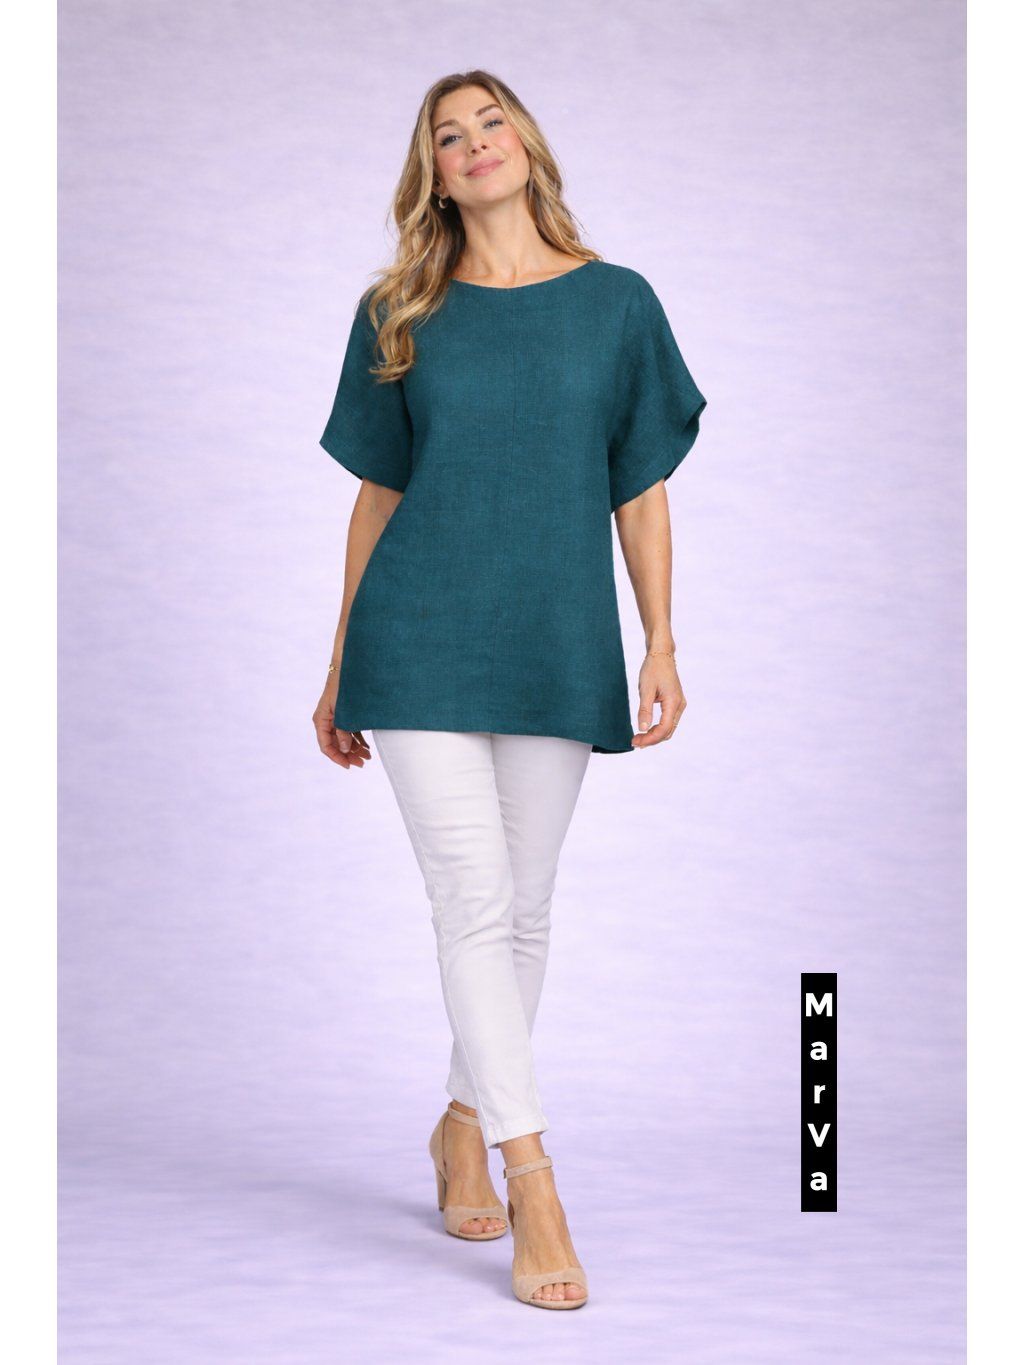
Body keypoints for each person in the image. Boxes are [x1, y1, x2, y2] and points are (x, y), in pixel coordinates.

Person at [311, 69, 707, 1310]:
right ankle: (532, 1178)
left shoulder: (617, 303)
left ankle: (457, 1123)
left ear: (526, 145)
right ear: (432, 174)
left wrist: (660, 640)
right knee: (474, 903)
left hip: (554, 634)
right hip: (416, 635)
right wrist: (338, 660)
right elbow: (376, 495)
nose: (475, 144)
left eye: (491, 123)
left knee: (526, 911)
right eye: (449, 135)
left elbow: (639, 487)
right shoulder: (398, 311)